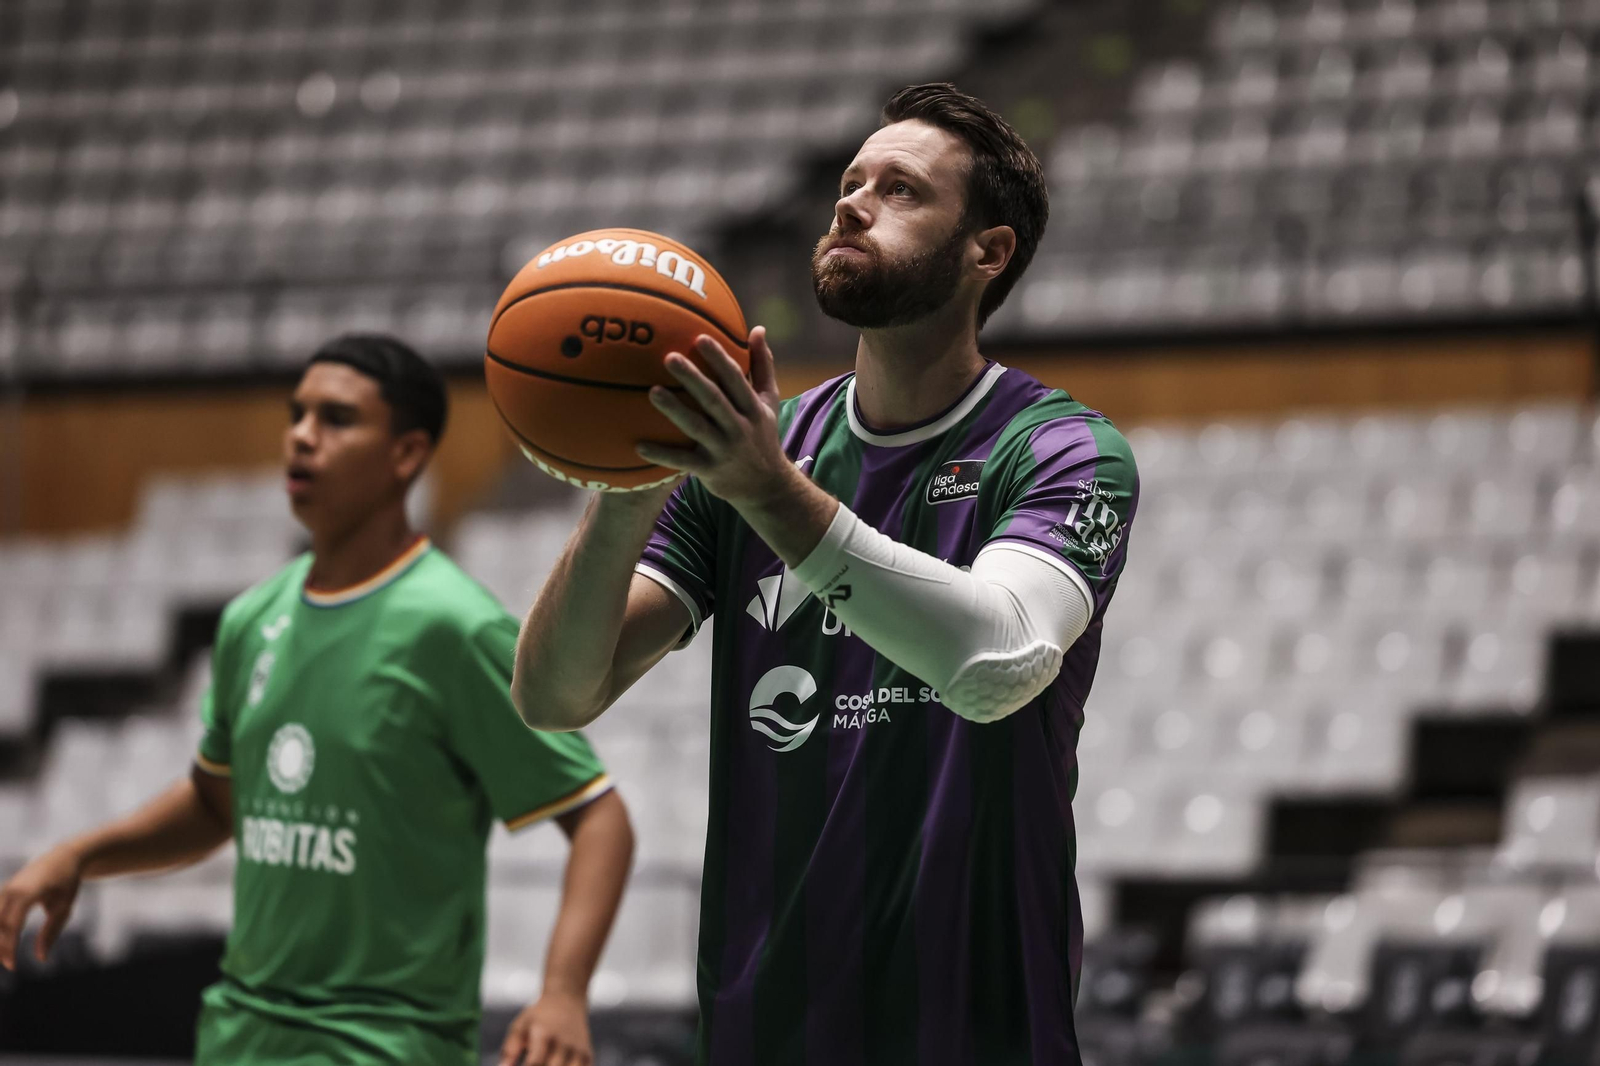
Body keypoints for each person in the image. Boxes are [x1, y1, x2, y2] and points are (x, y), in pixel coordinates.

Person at [513, 83, 1139, 1065]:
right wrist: (631, 480)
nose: (851, 203)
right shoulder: (755, 451)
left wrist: (765, 490)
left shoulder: (1059, 448)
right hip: (762, 1026)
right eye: (849, 182)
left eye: (901, 190)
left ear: (989, 252)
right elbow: (555, 695)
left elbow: (1000, 660)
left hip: (973, 1030)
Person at [0, 335, 634, 1066]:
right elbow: (215, 806)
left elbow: (599, 816)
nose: (301, 436)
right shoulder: (250, 618)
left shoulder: (455, 626)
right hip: (241, 1034)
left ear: (406, 455)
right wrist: (79, 855)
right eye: (296, 414)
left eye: (335, 419)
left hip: (384, 1045)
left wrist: (562, 991)